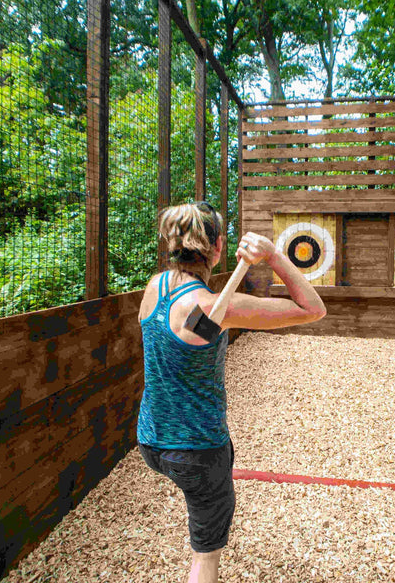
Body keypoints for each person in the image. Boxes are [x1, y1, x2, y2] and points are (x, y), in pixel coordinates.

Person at [137, 201, 326, 583]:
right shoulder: (214, 309)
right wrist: (272, 255)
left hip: (151, 442)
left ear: (172, 244)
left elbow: (197, 332)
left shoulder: (155, 288)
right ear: (218, 246)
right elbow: (312, 308)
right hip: (197, 452)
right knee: (204, 559)